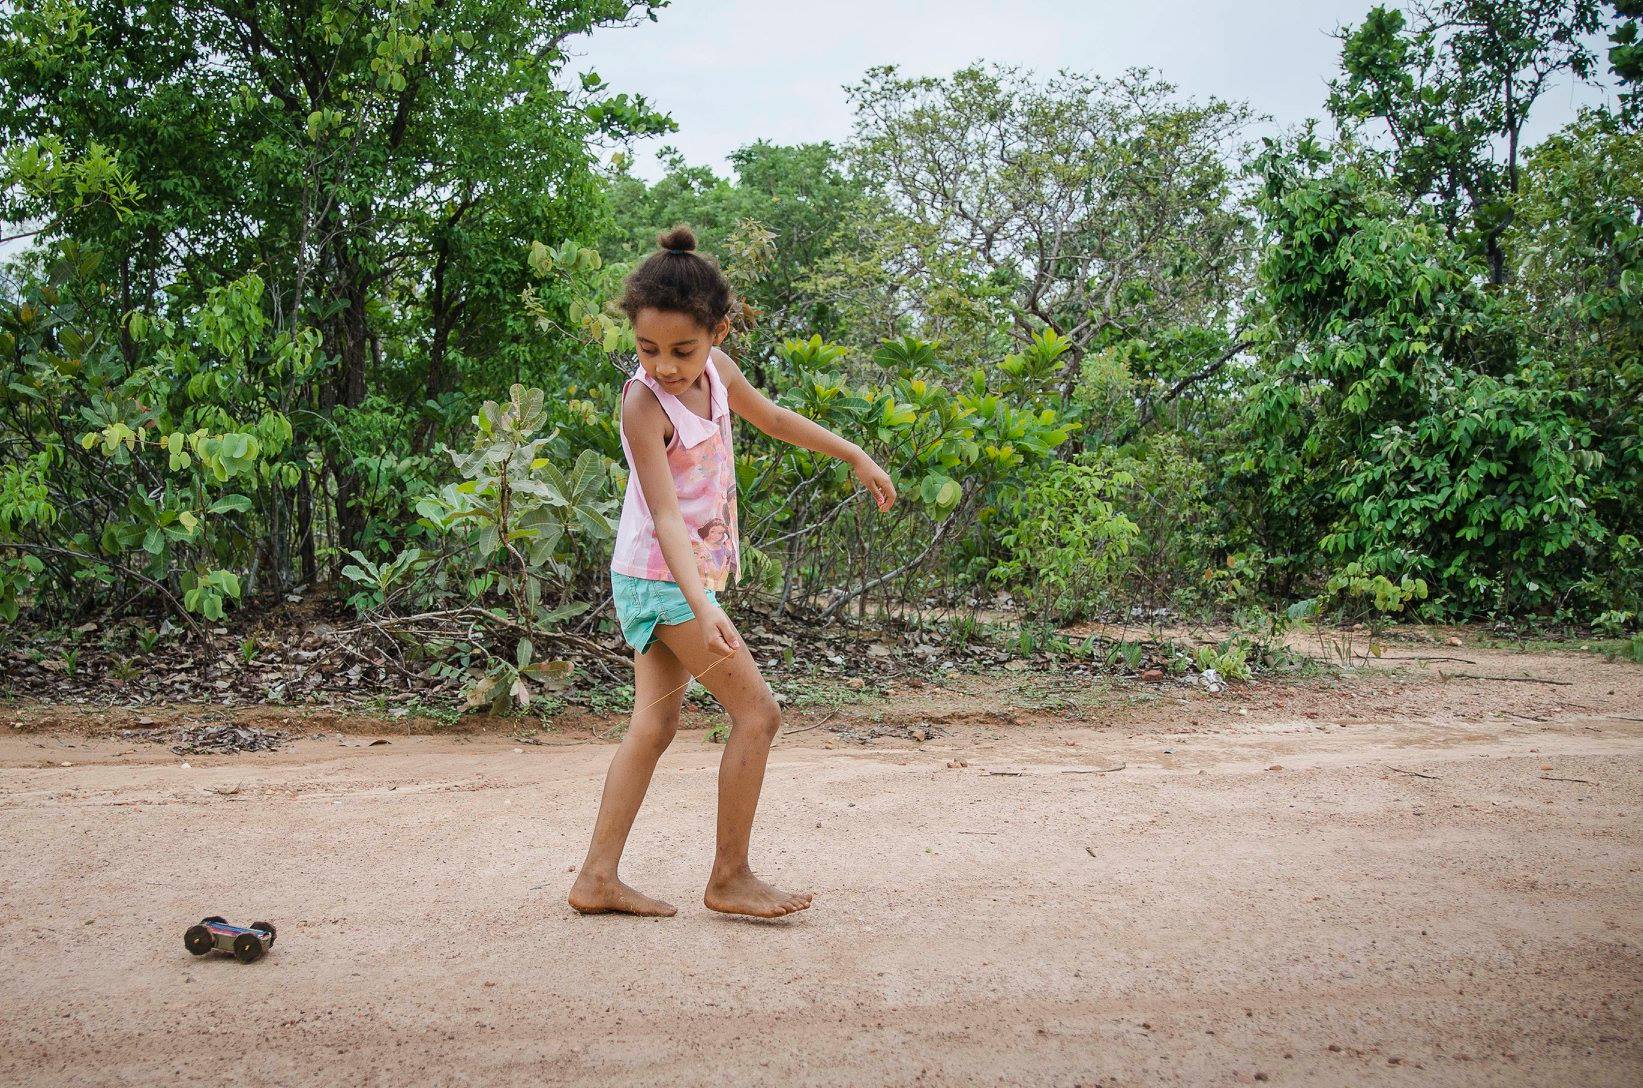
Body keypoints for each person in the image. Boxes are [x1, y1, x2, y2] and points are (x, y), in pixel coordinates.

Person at [569, 225, 896, 919]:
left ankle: (596, 878)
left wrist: (854, 454)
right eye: (646, 349)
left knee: (652, 729)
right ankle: (730, 878)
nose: (663, 365)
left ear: (718, 332)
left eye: (681, 350)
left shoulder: (713, 374)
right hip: (664, 580)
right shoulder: (641, 404)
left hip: (669, 579)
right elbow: (662, 515)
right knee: (758, 713)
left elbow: (772, 417)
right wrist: (703, 604)